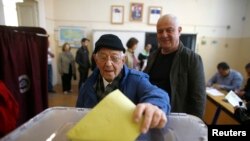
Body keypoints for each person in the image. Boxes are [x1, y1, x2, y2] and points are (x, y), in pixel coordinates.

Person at [76, 34, 171, 134]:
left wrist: (153, 105)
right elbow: (78, 115)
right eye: (103, 57)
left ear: (123, 60)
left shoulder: (136, 80)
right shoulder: (87, 85)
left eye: (114, 58)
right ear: (96, 59)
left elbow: (157, 93)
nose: (108, 63)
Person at [144, 14, 206, 119]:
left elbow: (198, 99)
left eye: (169, 30)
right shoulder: (153, 56)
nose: (164, 35)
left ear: (179, 30)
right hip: (150, 115)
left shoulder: (192, 59)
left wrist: (193, 125)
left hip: (175, 118)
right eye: (160, 31)